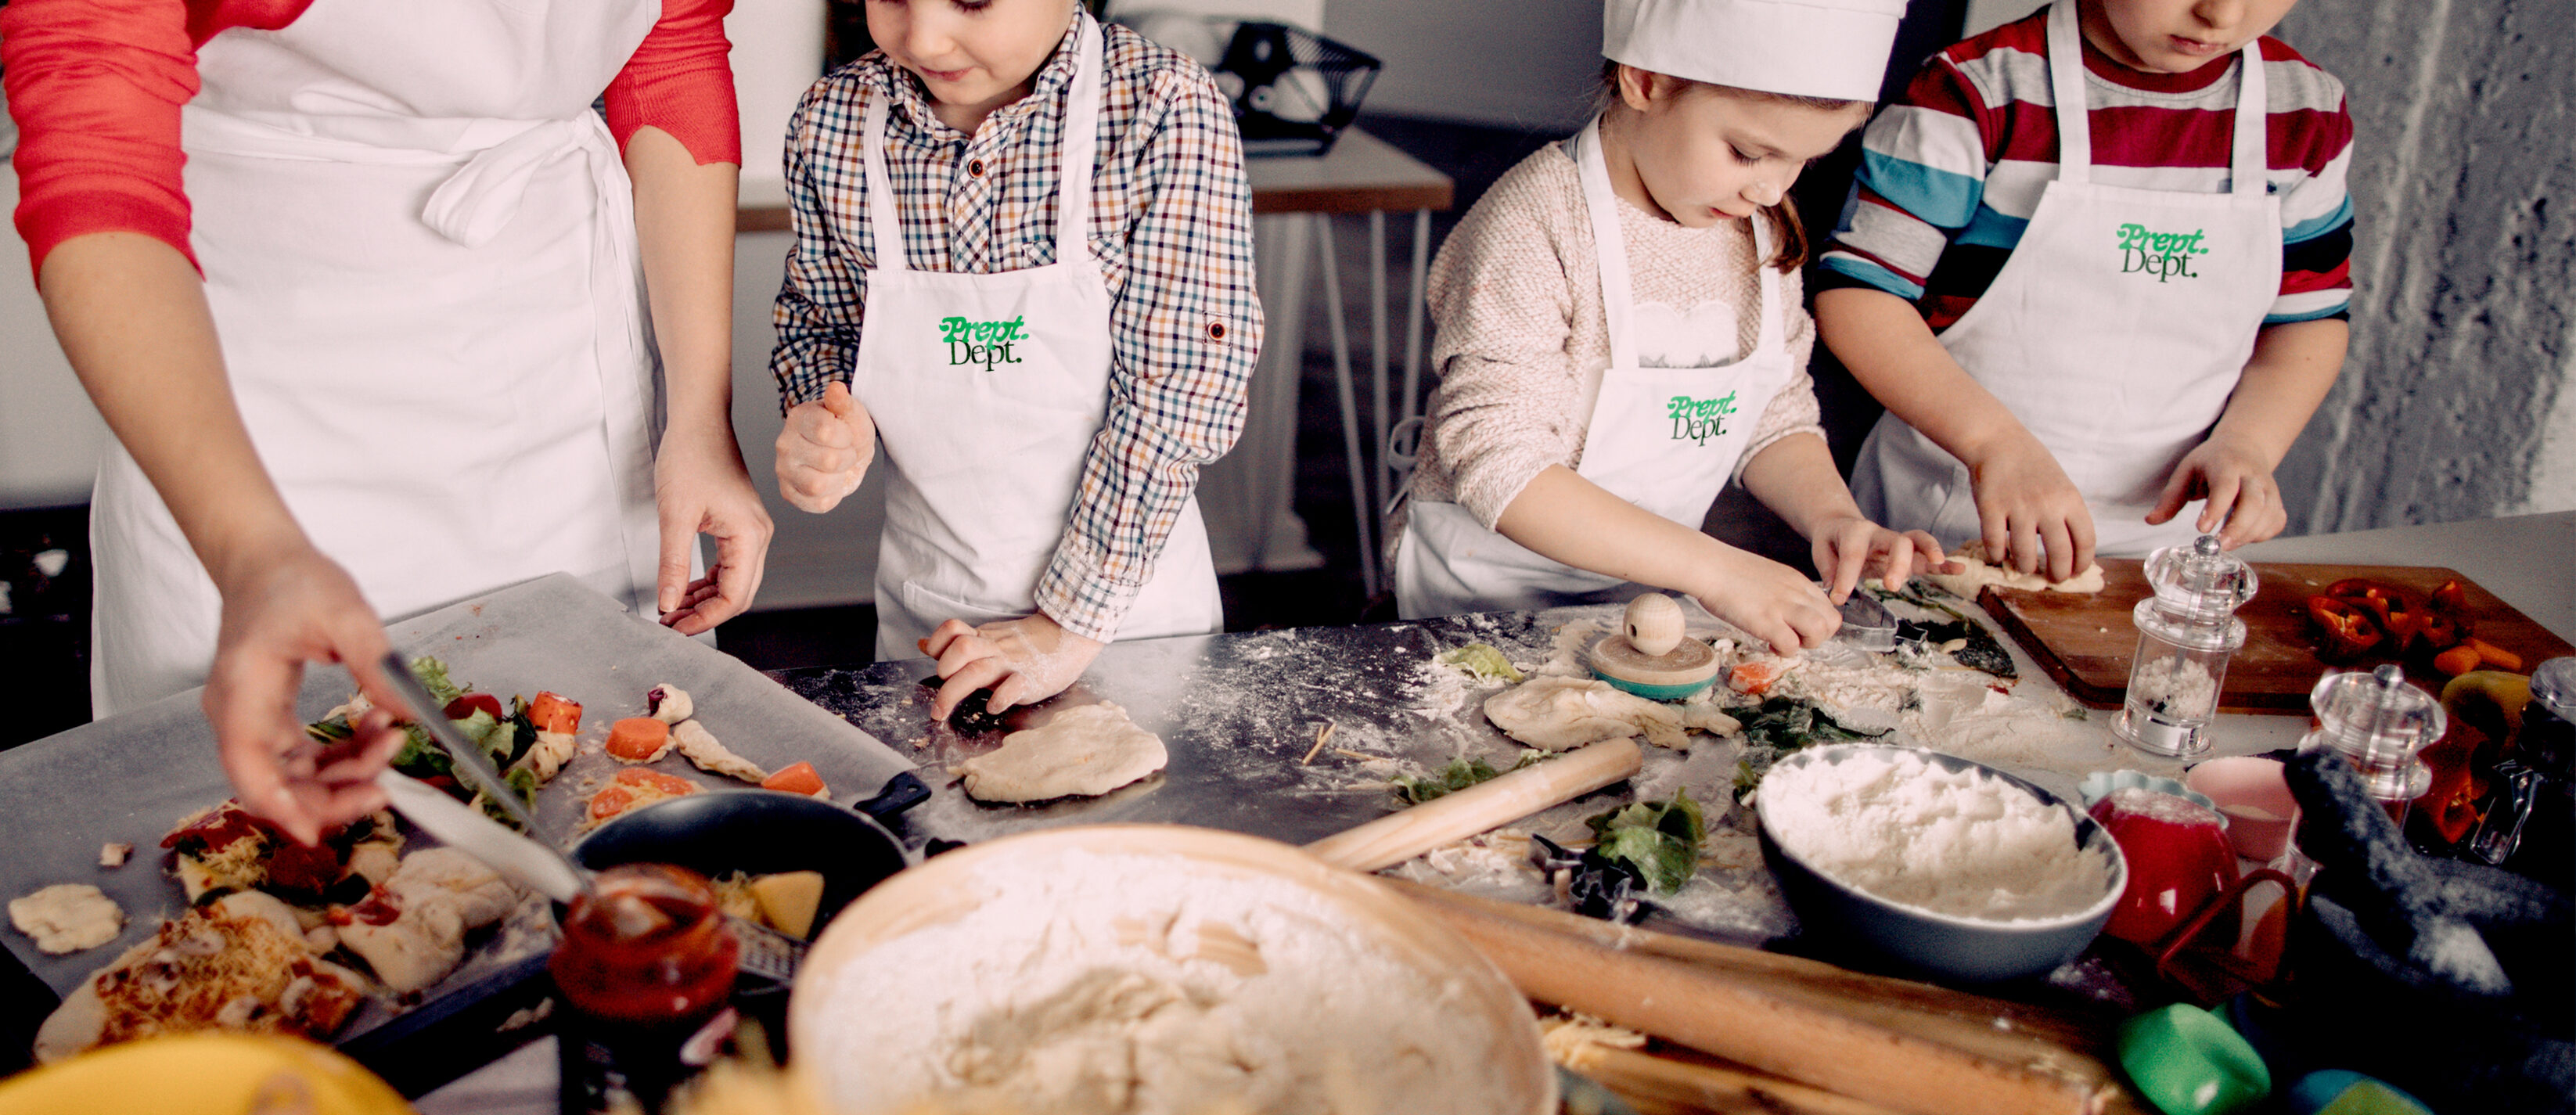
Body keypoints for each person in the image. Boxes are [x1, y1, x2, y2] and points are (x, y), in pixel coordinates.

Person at [2, 0, 774, 841]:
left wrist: (699, 414)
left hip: (557, 339)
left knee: (610, 798)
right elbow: (97, 165)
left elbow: (670, 47)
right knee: (253, 851)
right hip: (247, 384)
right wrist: (253, 554)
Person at [1388, 0, 1939, 655]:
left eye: (1801, 162)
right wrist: (1717, 571)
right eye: (1747, 153)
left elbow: (1774, 416)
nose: (1770, 191)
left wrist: (1832, 515)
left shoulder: (1759, 232)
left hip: (1645, 602)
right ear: (1646, 80)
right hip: (1483, 603)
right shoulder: (1533, 228)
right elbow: (1502, 466)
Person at [770, 0, 1261, 720]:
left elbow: (1180, 392)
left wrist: (1066, 625)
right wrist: (824, 418)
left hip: (1127, 624)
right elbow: (822, 324)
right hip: (931, 622)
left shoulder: (1160, 106)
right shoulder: (834, 120)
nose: (925, 38)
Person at [1817, 0, 2353, 578]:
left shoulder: (2306, 113)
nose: (2220, 14)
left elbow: (2307, 320)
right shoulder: (1979, 89)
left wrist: (2250, 443)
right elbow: (1861, 297)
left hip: (2170, 549)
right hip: (1948, 527)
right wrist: (1992, 442)